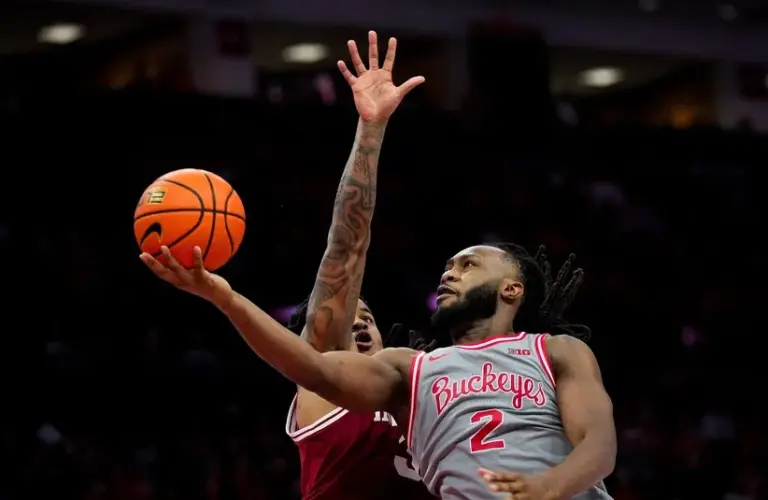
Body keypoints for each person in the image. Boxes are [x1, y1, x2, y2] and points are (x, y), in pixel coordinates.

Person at [144, 31, 429, 500]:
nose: (360, 324)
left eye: (369, 319)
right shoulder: (322, 373)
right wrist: (371, 130)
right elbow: (347, 245)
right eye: (350, 316)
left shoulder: (415, 390)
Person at [142, 239, 616, 499]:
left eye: (467, 265)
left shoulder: (554, 350)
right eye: (447, 266)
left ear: (512, 290)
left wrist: (549, 487)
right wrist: (224, 297)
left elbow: (599, 443)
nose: (448, 273)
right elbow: (313, 368)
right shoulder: (411, 370)